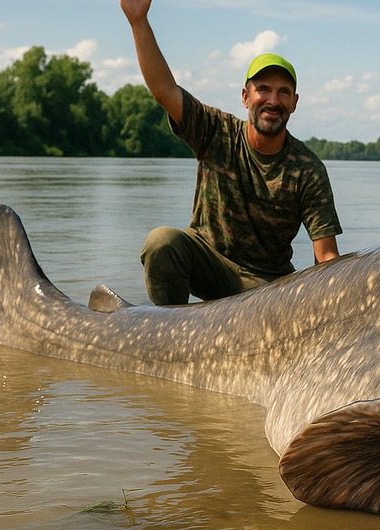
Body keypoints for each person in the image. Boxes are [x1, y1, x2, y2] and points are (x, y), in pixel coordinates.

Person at [120, 0, 342, 305]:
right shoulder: (216, 131)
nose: (273, 100)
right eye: (263, 89)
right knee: (162, 242)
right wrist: (138, 22)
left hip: (264, 286)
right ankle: (168, 333)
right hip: (206, 259)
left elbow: (327, 256)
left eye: (283, 92)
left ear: (294, 102)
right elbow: (165, 91)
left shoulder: (307, 170)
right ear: (245, 97)